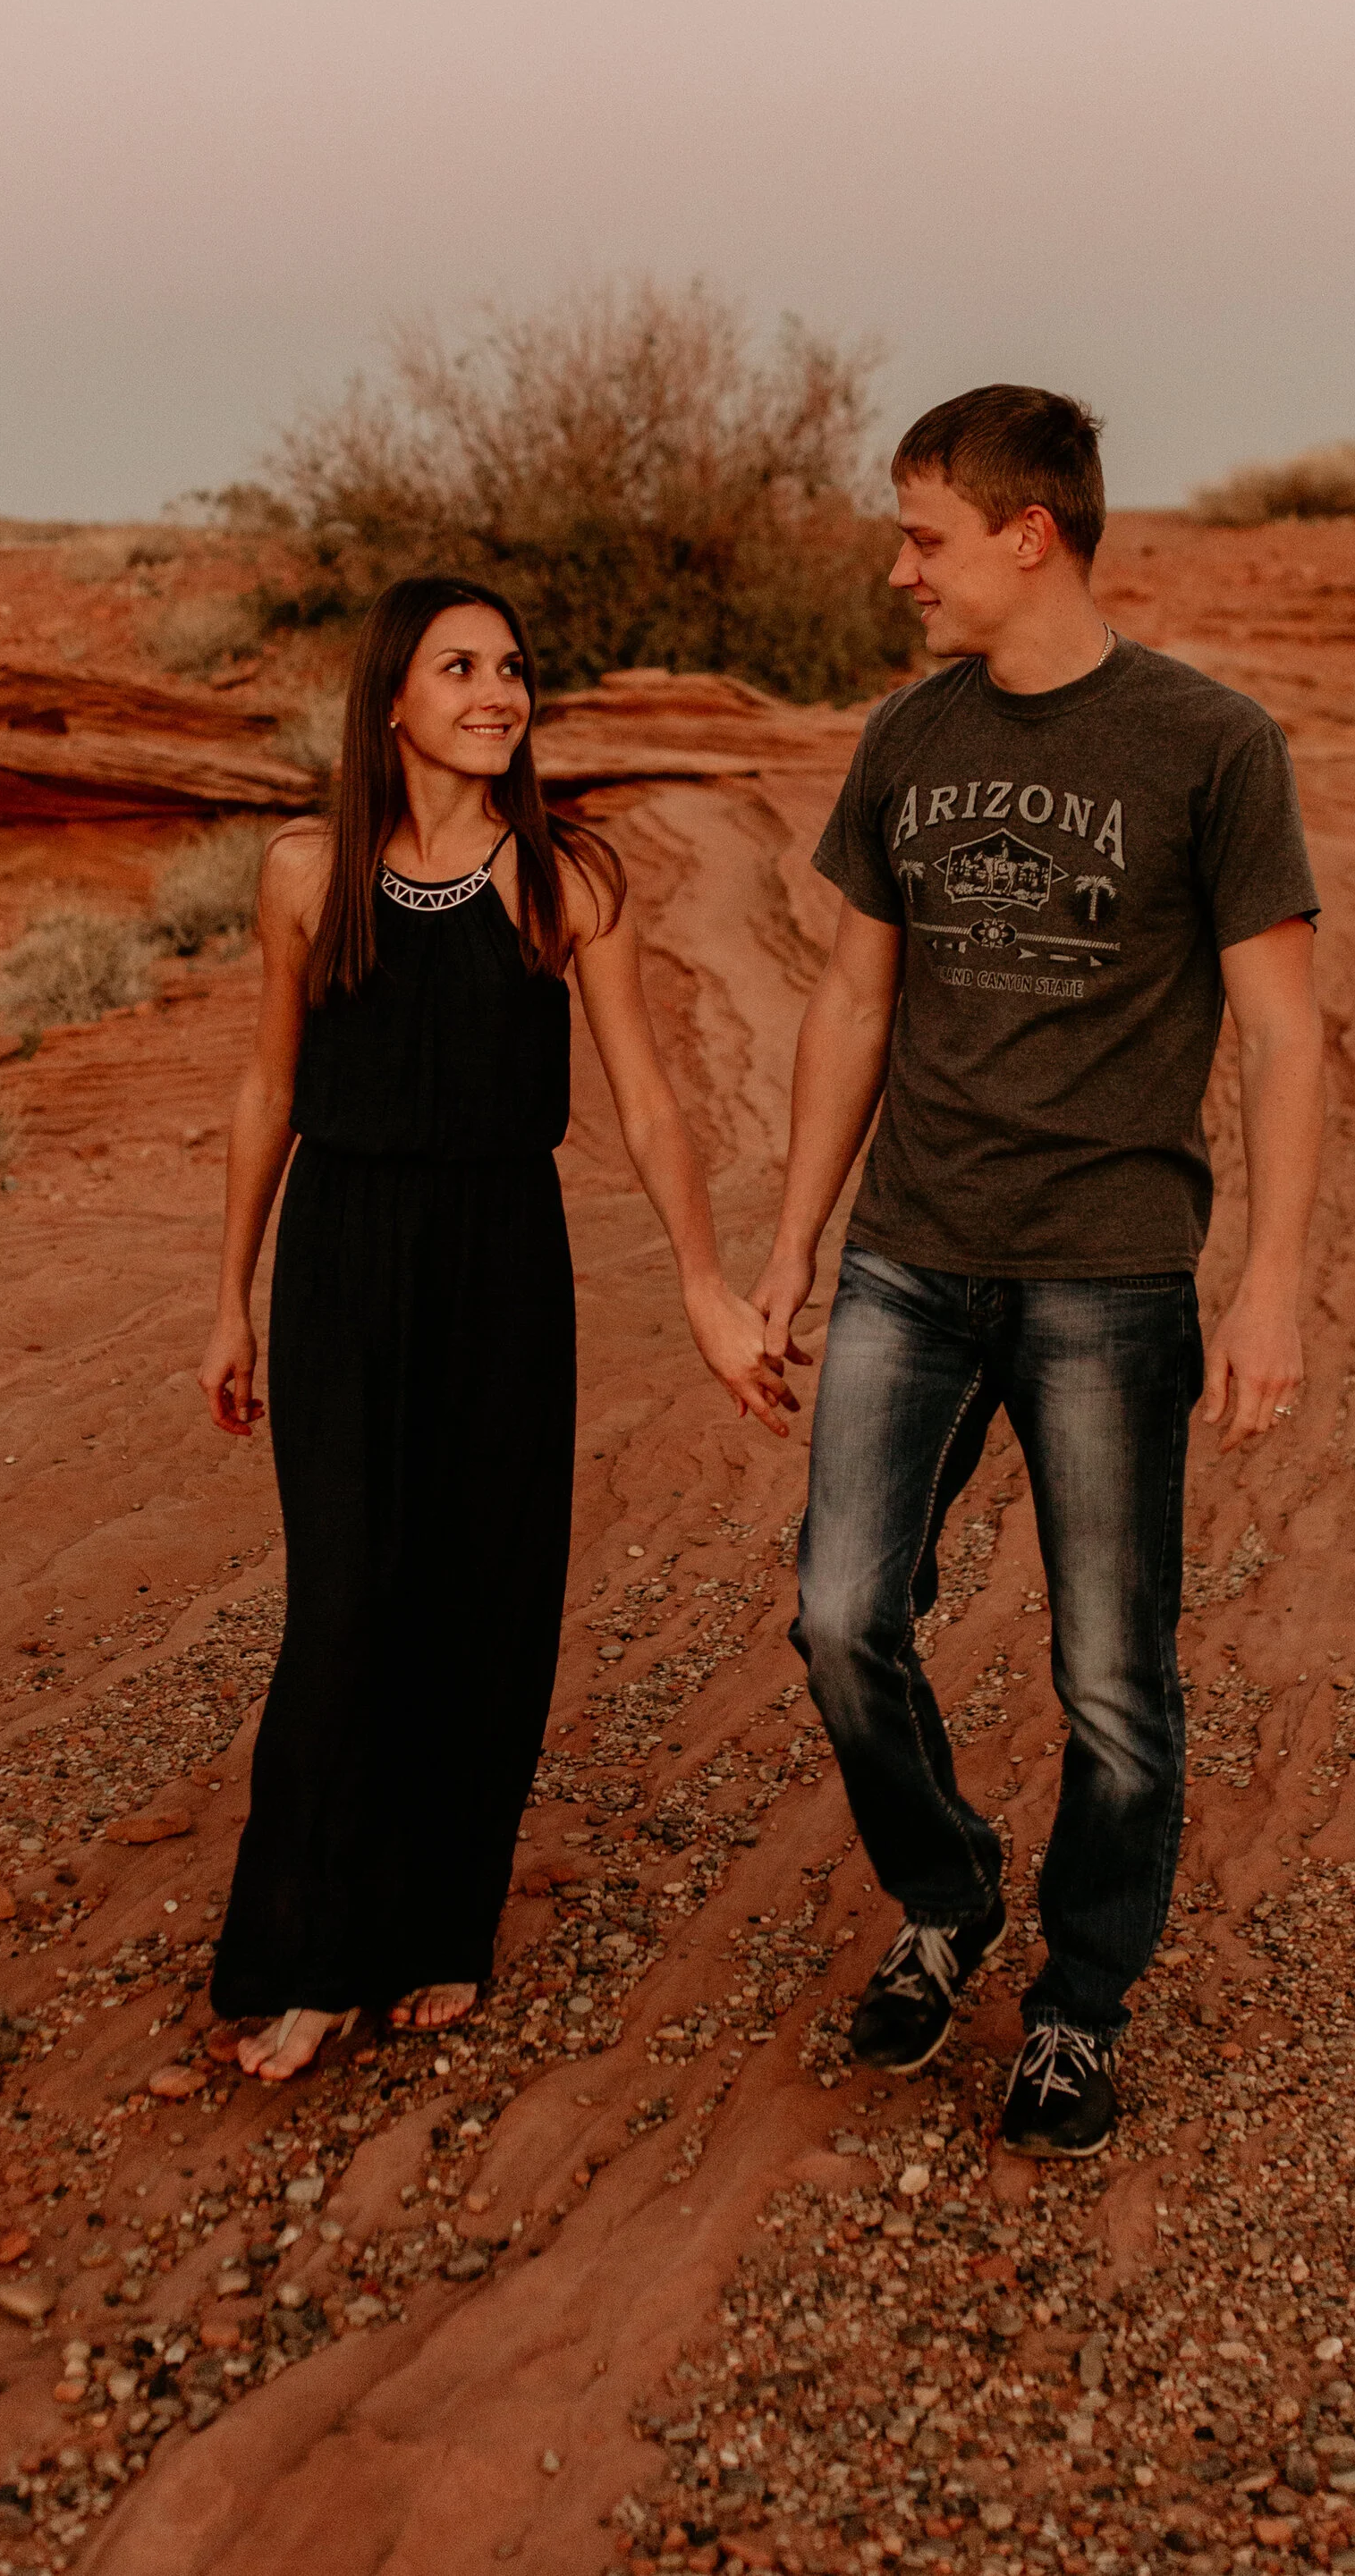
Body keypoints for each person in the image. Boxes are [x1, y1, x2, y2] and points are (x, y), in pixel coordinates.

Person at [753, 385, 1325, 2158]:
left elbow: (1286, 1041)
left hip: (1104, 1278)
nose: (898, 567)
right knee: (841, 1616)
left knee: (1107, 1678)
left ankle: (1078, 2002)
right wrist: (786, 1252)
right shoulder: (904, 743)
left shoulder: (1207, 745)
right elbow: (851, 999)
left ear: (1030, 532)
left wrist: (1270, 1286)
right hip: (908, 1259)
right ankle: (944, 1897)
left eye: (922, 535)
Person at [199, 572, 789, 2079]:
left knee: (481, 1599)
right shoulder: (299, 874)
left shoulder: (566, 877)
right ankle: (312, 1949)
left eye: (513, 667)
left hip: (505, 1262)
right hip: (341, 1256)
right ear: (390, 697)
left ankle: (441, 1927)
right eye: (459, 666)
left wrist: (709, 1286)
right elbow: (268, 1089)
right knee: (343, 1604)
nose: (496, 692)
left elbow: (650, 1102)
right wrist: (231, 1300)